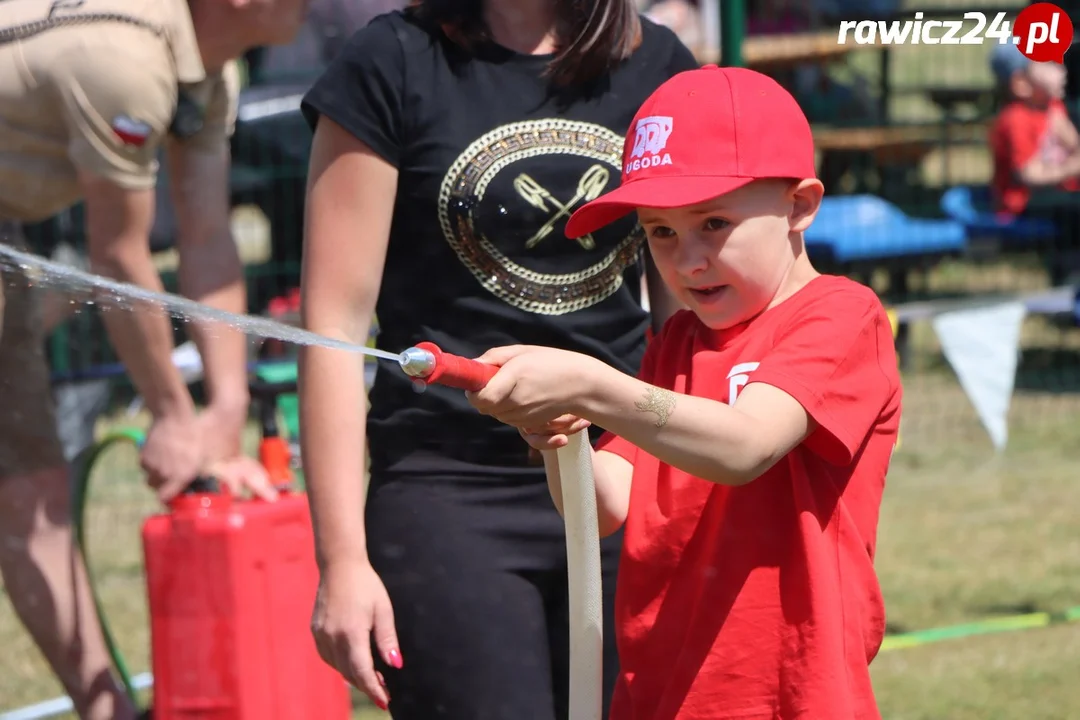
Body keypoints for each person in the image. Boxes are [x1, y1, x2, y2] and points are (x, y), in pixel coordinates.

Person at [297, 1, 697, 717]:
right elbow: (332, 330)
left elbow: (689, 325)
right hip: (449, 493)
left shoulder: (657, 67)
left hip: (624, 482)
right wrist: (342, 561)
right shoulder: (391, 62)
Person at [467, 65, 903, 719]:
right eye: (660, 231)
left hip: (790, 696)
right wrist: (561, 433)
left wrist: (591, 385)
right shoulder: (677, 343)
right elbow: (605, 506)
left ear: (800, 205)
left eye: (714, 223)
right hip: (663, 695)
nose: (686, 259)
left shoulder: (840, 317)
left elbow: (746, 445)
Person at [0, 0, 309, 717]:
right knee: (30, 496)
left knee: (32, 493)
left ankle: (109, 712)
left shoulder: (204, 68)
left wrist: (223, 411)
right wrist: (173, 414)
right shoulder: (126, 58)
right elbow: (118, 256)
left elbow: (207, 242)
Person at [988, 41, 1080, 283]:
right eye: (1050, 65)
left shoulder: (1052, 108)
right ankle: (1068, 283)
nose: (1062, 71)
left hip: (1054, 195)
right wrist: (1072, 167)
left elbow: (1074, 144)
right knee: (1073, 214)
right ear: (1021, 83)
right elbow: (1029, 175)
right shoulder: (1015, 119)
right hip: (1021, 203)